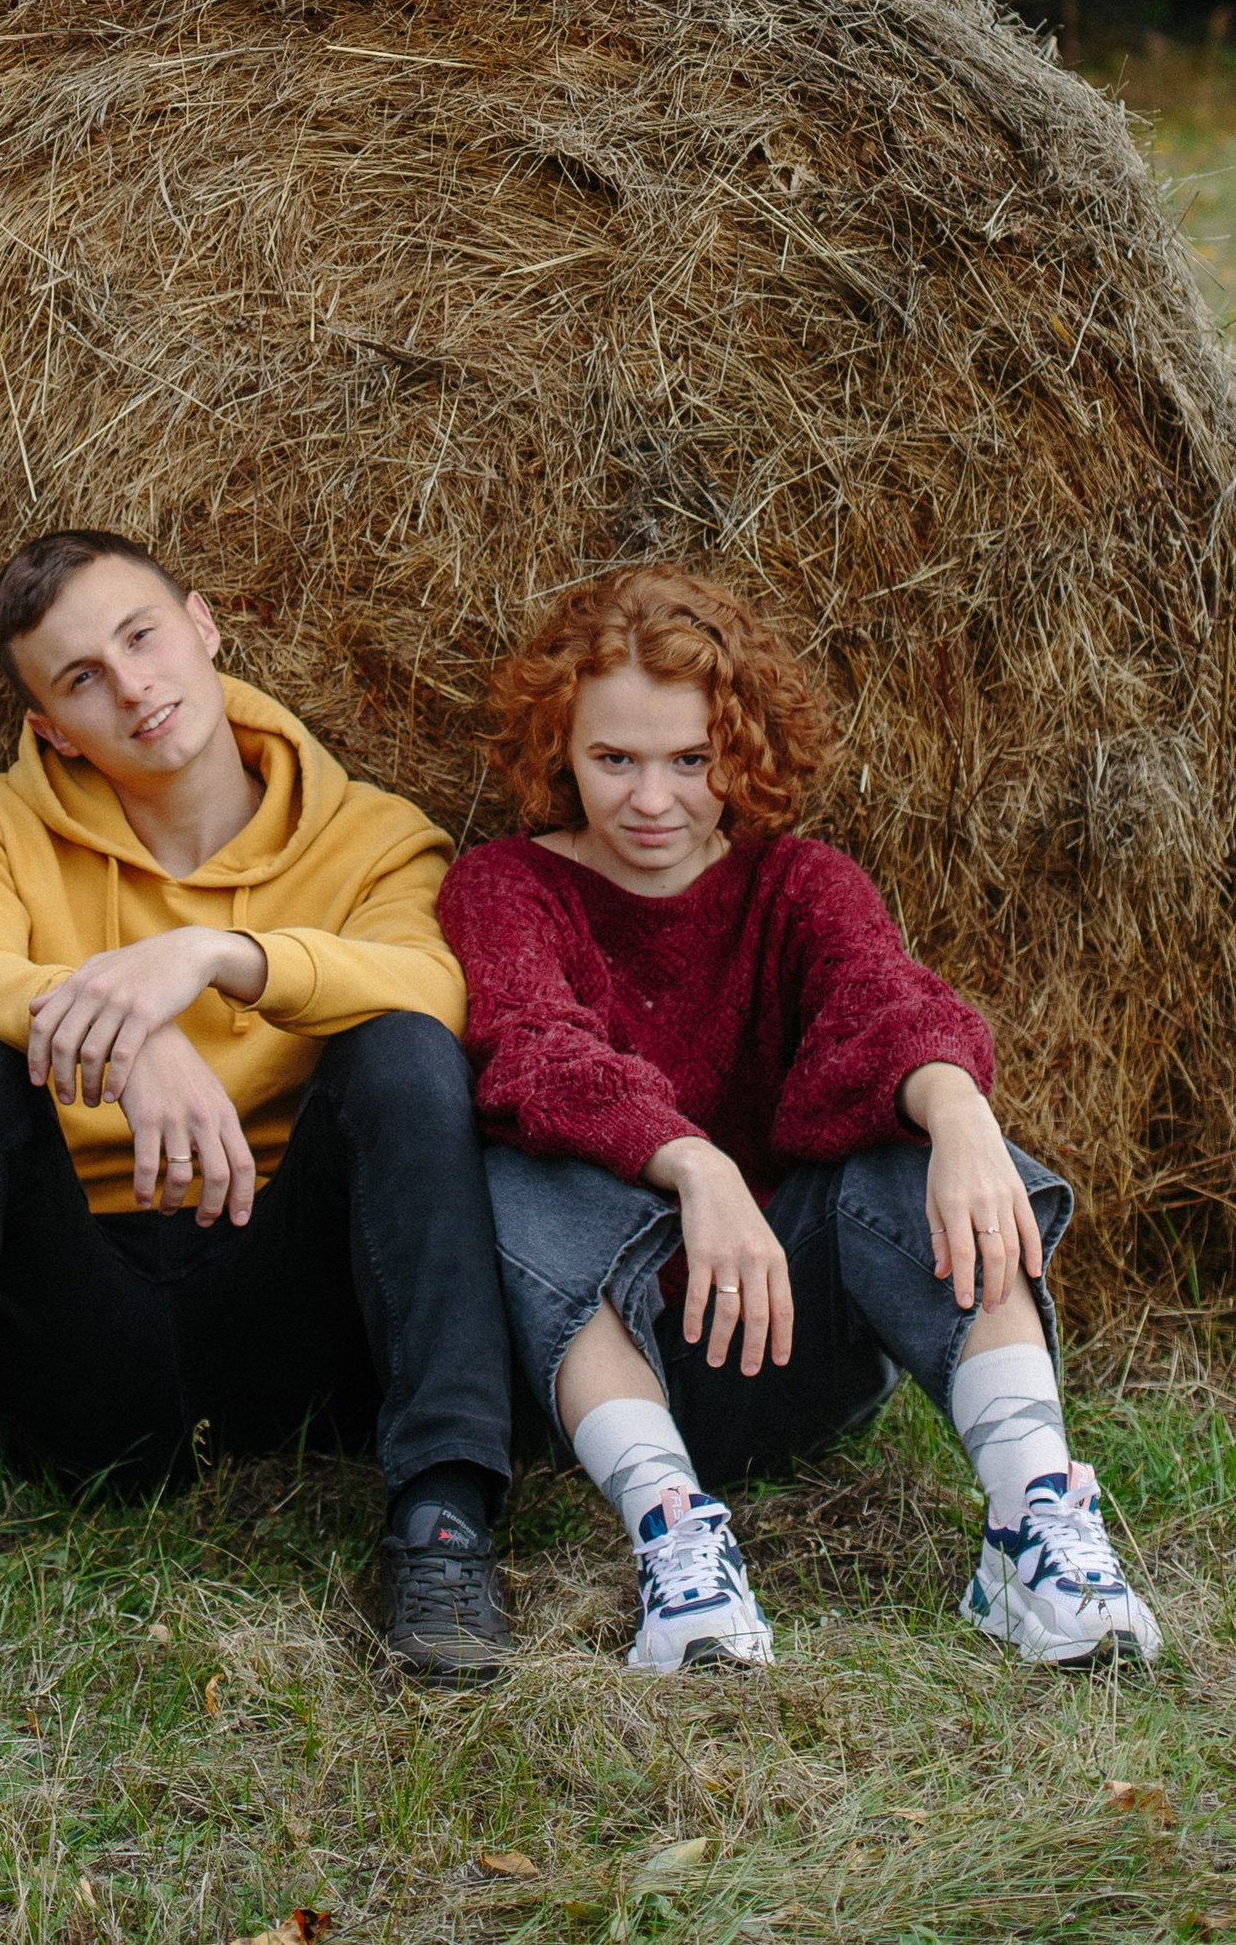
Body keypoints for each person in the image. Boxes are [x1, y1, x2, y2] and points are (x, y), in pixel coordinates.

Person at [0, 530, 518, 1717]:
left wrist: (212, 958)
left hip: (294, 1322)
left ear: (203, 623)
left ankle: (444, 1522)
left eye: (141, 634)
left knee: (401, 1049)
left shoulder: (371, 835)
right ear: (50, 728)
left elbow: (431, 988)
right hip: (71, 1332)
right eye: (81, 675)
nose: (131, 683)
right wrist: (128, 1035)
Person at [438, 563, 1163, 1677]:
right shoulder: (504, 885)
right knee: (517, 1153)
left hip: (791, 1344)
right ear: (557, 748)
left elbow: (881, 1001)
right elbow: (536, 1050)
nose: (651, 798)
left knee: (910, 1134)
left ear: (742, 752)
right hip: (602, 1352)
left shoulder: (798, 881)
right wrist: (695, 1166)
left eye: (690, 760)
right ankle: (676, 1549)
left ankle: (1036, 1529)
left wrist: (963, 1114)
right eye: (612, 758)